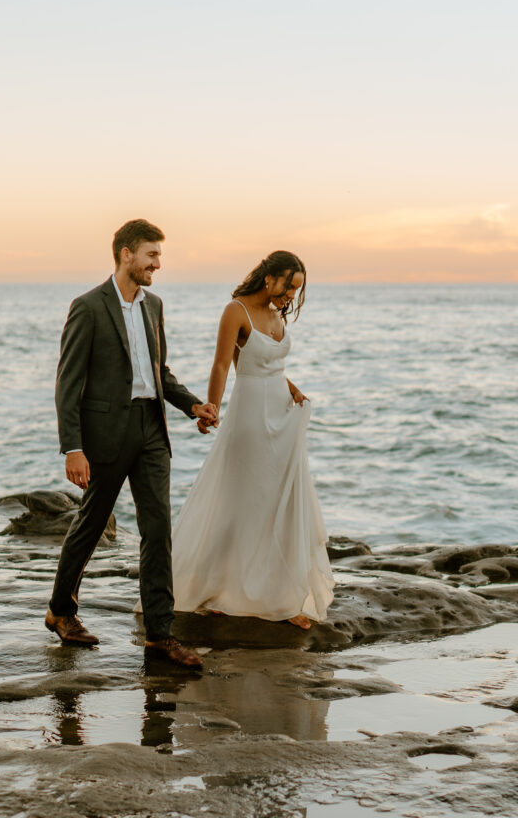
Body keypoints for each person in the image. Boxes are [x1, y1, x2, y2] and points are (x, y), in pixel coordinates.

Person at [46, 219, 217, 667]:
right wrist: (73, 447)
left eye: (159, 256)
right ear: (126, 254)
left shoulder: (154, 306)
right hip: (104, 435)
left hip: (151, 430)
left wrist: (192, 405)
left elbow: (160, 373)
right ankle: (60, 610)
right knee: (91, 522)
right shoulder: (88, 306)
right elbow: (68, 383)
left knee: (157, 529)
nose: (157, 264)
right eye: (151, 255)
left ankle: (160, 635)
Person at [169, 251, 334, 629]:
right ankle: (220, 588)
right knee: (245, 500)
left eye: (297, 289)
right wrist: (210, 406)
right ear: (269, 278)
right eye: (289, 286)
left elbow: (272, 363)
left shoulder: (277, 314)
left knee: (279, 501)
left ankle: (281, 595)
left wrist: (292, 389)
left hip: (281, 412)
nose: (291, 295)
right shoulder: (236, 311)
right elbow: (223, 364)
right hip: (249, 416)